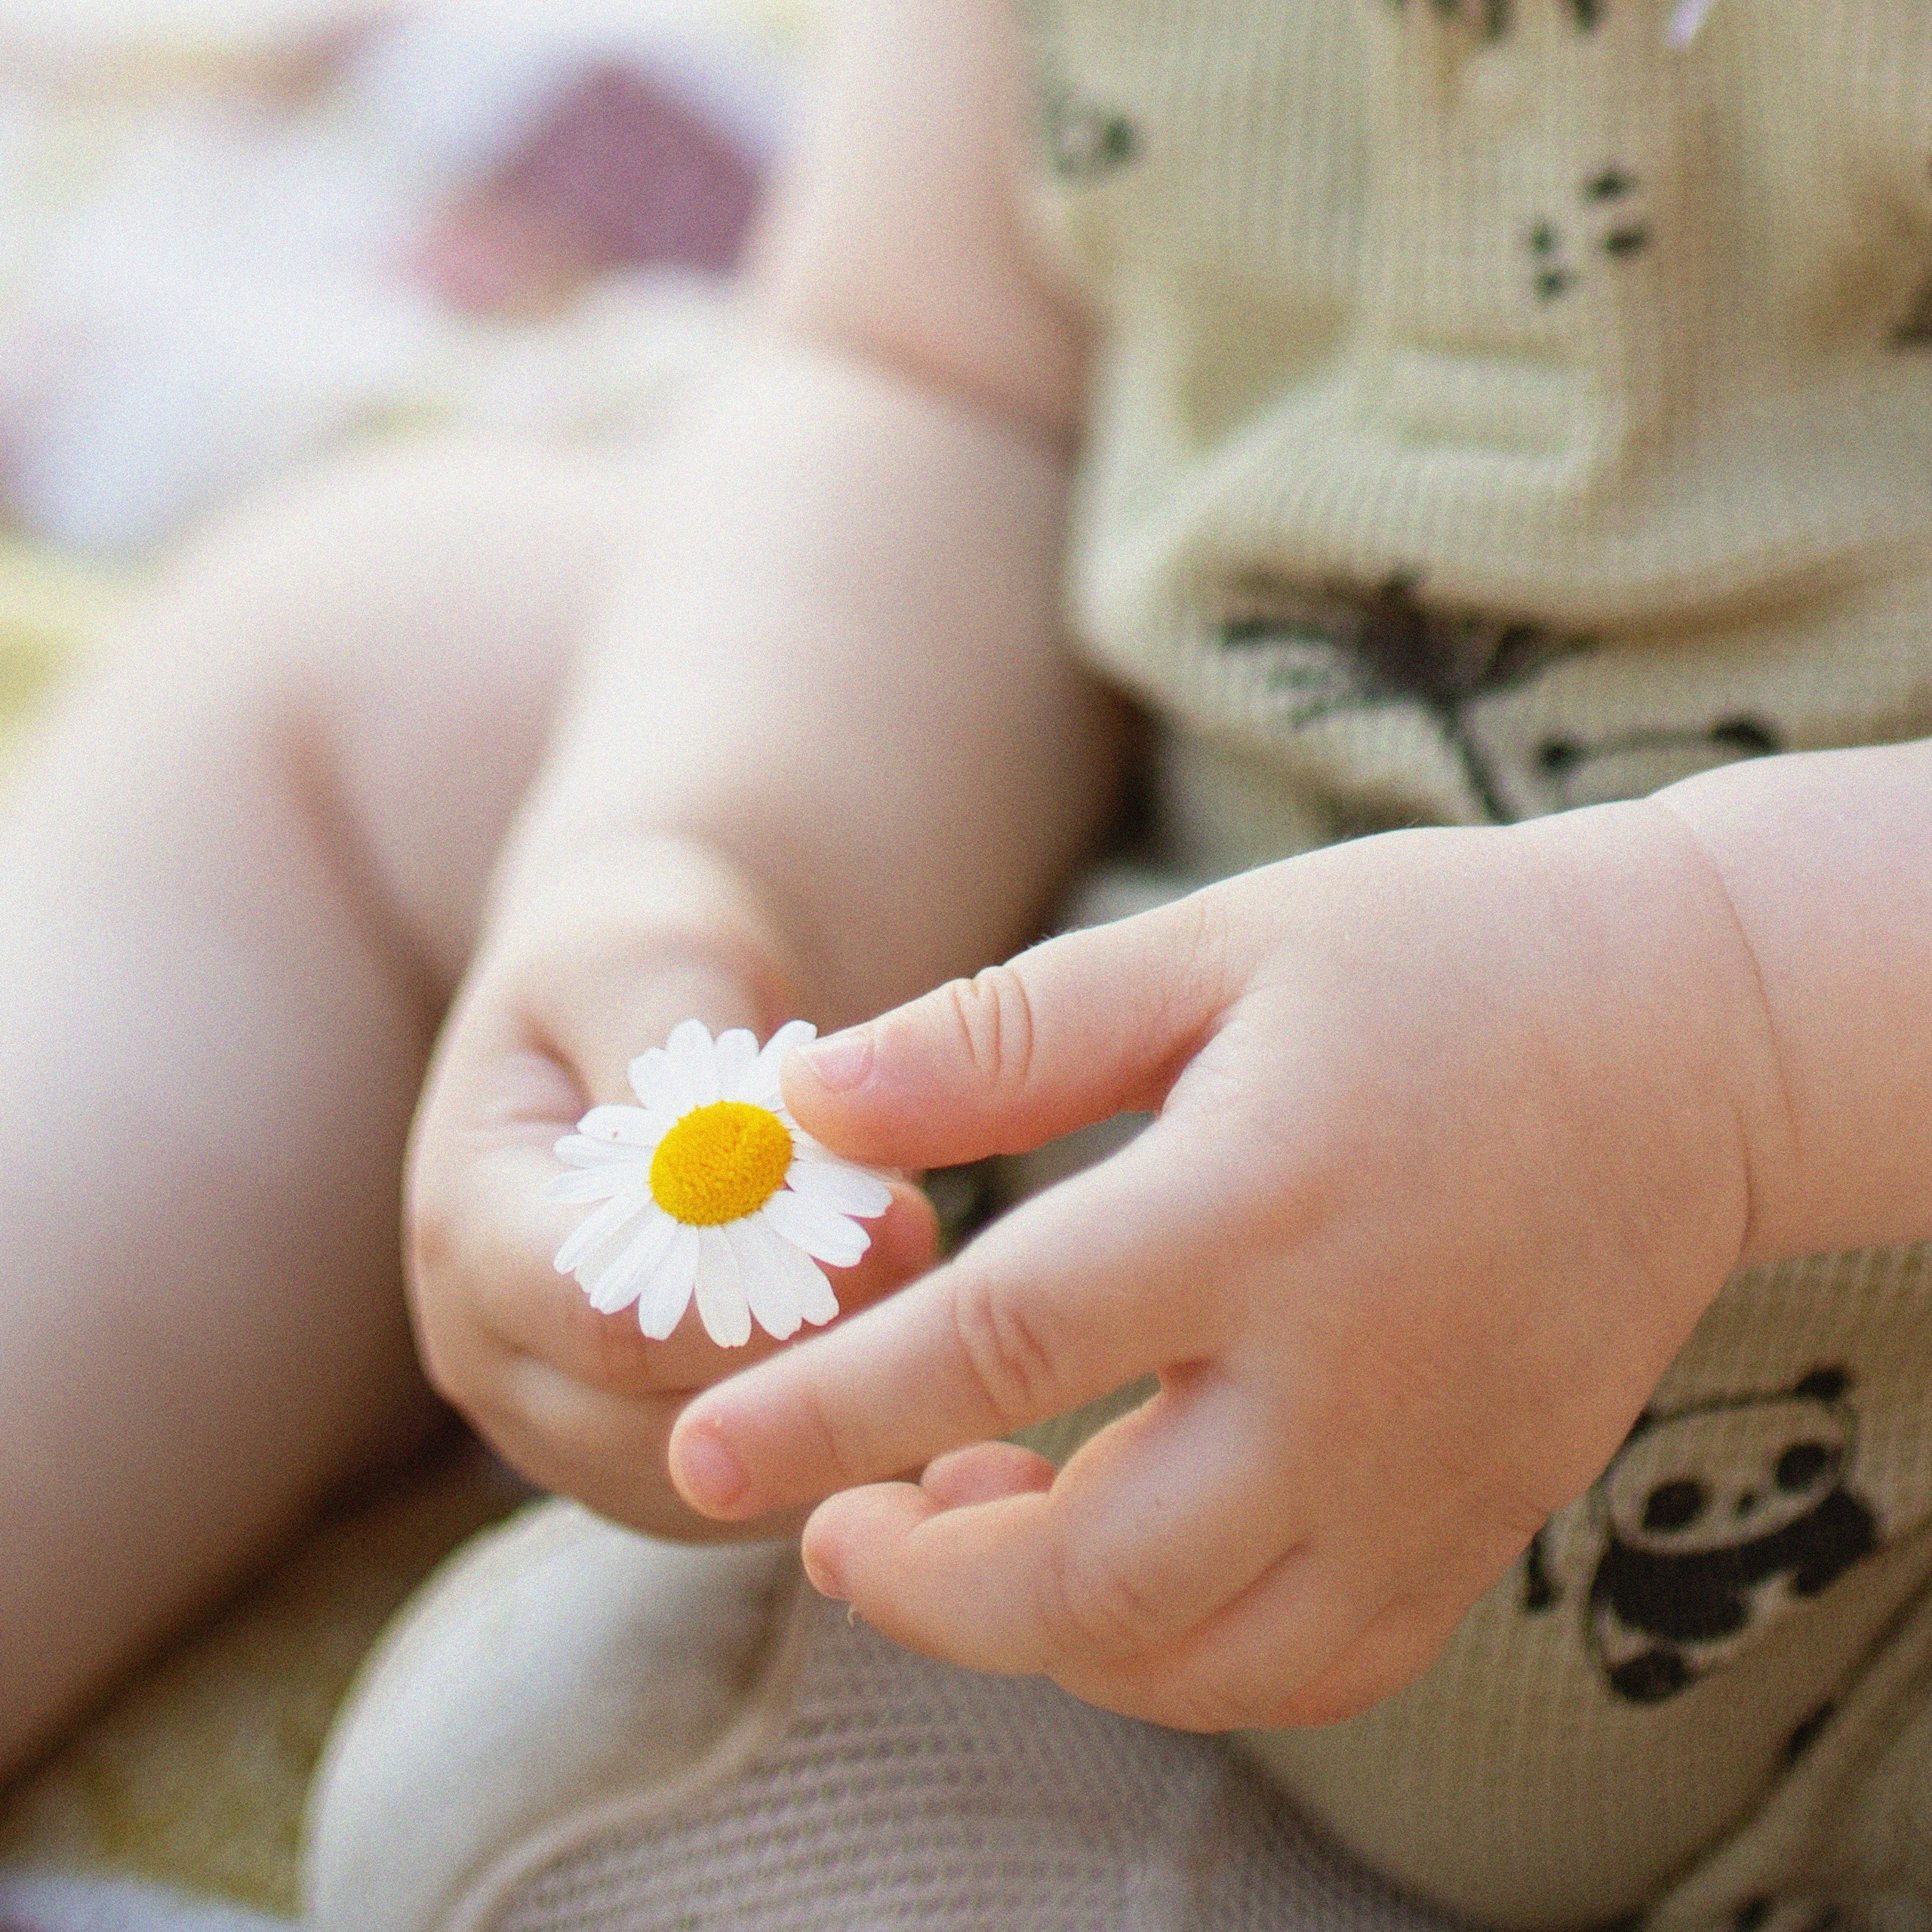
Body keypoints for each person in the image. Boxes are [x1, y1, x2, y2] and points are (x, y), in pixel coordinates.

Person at [14, 1, 1932, 1927]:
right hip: (1162, 884)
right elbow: (929, 383)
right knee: (366, 658)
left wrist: (1734, 1031)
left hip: (1848, 1494)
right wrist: (705, 861)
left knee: (538, 1802)